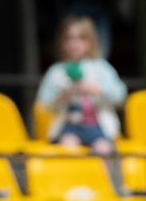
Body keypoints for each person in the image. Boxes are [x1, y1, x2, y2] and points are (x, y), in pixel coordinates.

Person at [36, 16, 125, 155]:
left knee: (104, 149)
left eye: (80, 38)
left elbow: (120, 96)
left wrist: (96, 90)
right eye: (69, 38)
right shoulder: (56, 71)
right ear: (62, 42)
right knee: (69, 147)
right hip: (69, 126)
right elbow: (43, 103)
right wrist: (62, 96)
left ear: (90, 42)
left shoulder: (101, 68)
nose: (74, 43)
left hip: (99, 126)